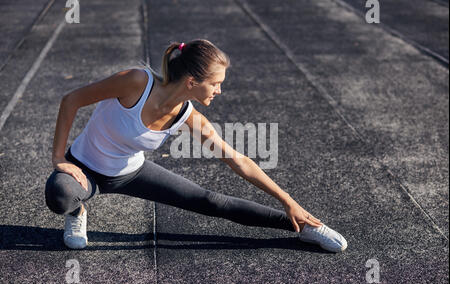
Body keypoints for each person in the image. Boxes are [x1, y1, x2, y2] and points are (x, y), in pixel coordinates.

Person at [45, 39, 347, 253]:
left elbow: (237, 160)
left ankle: (306, 228)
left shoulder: (190, 118)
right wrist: (60, 157)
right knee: (60, 195)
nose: (220, 90)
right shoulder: (136, 82)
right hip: (83, 169)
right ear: (191, 81)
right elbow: (72, 99)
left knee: (211, 202)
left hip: (131, 172)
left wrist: (288, 200)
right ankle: (77, 212)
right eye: (215, 83)